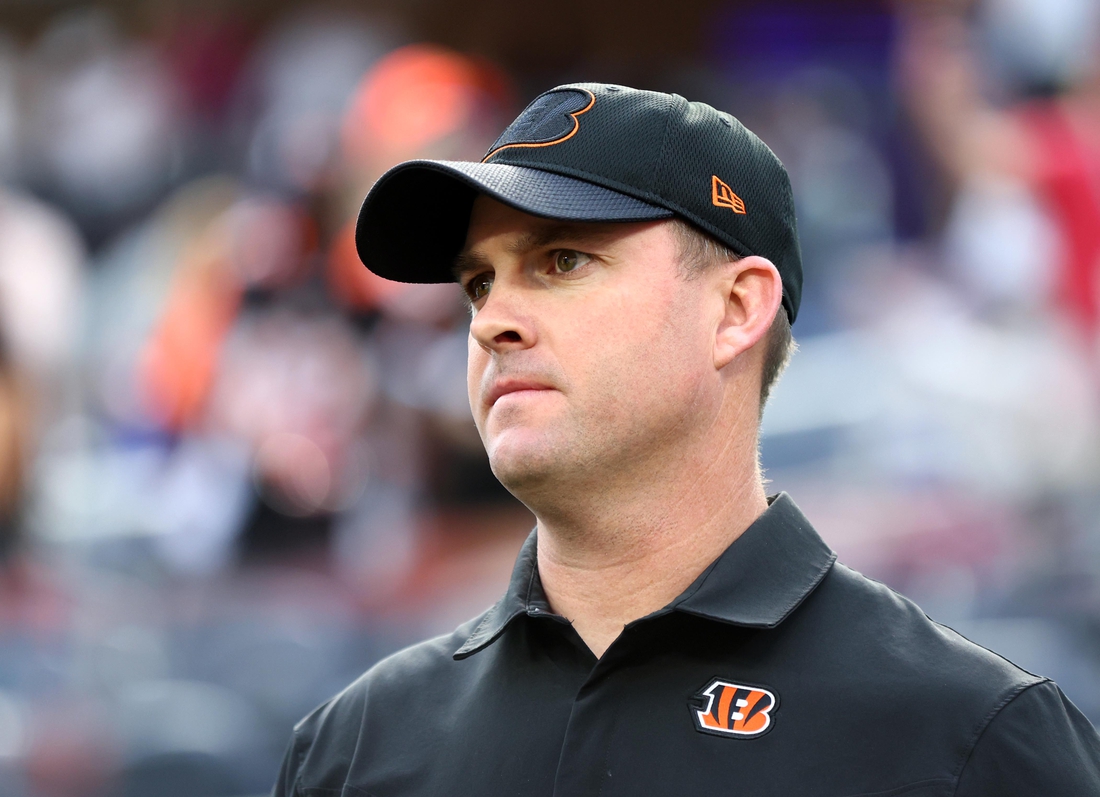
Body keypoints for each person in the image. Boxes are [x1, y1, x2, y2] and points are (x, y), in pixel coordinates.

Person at [272, 83, 1100, 796]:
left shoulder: (969, 735)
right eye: (479, 282)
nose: (491, 321)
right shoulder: (355, 749)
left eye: (561, 261)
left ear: (737, 309)